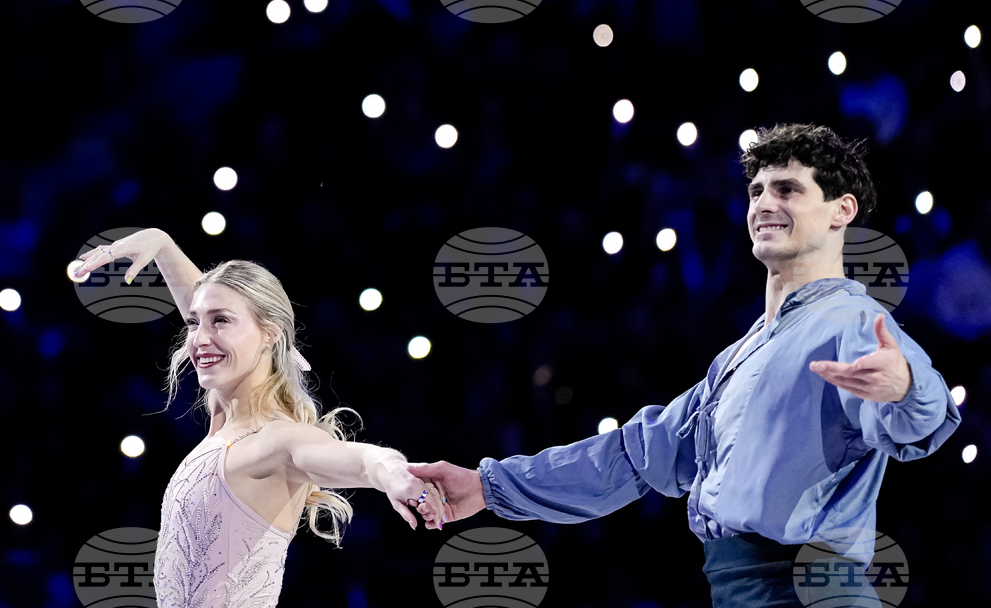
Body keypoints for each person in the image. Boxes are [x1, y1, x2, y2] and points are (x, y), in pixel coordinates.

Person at [408, 123, 962, 606]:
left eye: (788, 189)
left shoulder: (852, 321)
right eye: (757, 191)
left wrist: (906, 387)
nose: (764, 204)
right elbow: (629, 457)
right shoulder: (737, 357)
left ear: (842, 209)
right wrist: (487, 486)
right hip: (742, 590)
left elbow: (924, 418)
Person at [73, 229, 448, 607]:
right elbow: (212, 312)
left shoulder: (274, 440)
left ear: (270, 334)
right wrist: (162, 244)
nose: (199, 339)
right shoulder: (224, 416)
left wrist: (394, 474)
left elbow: (364, 460)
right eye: (192, 323)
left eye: (220, 321)